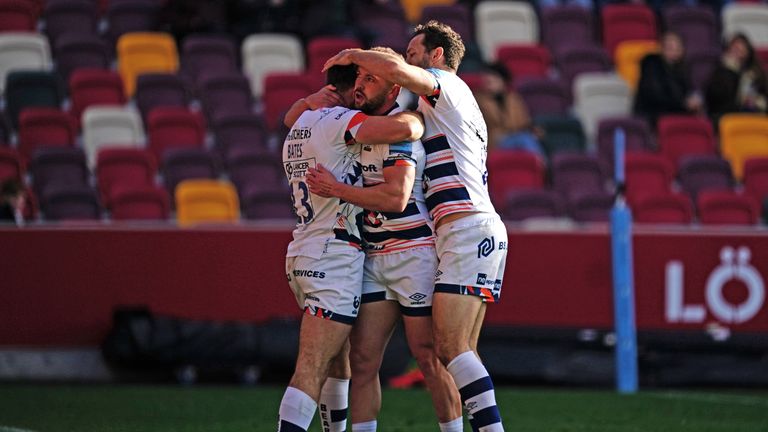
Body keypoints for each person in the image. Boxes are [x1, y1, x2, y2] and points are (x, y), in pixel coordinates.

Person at [324, 20, 508, 431]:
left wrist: (355, 55)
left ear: (436, 56)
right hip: (461, 229)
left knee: (447, 348)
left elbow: (400, 77)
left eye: (412, 53)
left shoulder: (447, 87)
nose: (405, 63)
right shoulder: (430, 110)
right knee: (456, 350)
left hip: (466, 227)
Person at [304, 47, 462, 432]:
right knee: (363, 361)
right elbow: (294, 120)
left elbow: (395, 198)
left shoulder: (400, 129)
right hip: (374, 257)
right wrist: (310, 101)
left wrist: (337, 189)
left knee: (427, 356)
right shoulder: (356, 126)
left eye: (370, 79)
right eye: (358, 77)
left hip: (414, 255)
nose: (359, 85)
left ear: (393, 90)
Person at [278, 65, 425, 432]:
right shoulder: (338, 119)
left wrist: (305, 101)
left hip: (304, 249)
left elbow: (290, 115)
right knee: (311, 367)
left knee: (337, 361)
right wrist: (419, 117)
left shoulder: (301, 124)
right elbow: (403, 128)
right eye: (358, 86)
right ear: (339, 93)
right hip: (333, 254)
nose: (362, 93)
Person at [633, 32, 703, 125]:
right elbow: (654, 95)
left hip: (676, 115)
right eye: (670, 47)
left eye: (677, 48)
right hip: (653, 117)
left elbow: (689, 92)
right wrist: (684, 104)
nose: (674, 51)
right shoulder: (651, 64)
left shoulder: (682, 68)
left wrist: (694, 100)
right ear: (661, 48)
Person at [474, 62, 544, 153]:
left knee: (528, 138)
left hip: (515, 136)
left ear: (503, 81)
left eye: (493, 80)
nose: (489, 83)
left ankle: (538, 164)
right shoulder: (479, 99)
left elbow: (523, 121)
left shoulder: (513, 99)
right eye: (487, 81)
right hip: (494, 142)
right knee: (525, 140)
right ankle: (542, 165)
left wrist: (531, 130)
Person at [706, 33, 768, 124]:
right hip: (729, 117)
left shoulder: (756, 72)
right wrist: (730, 72)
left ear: (748, 50)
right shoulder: (721, 72)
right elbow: (718, 100)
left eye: (742, 48)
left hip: (756, 116)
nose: (738, 51)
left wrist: (759, 101)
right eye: (735, 48)